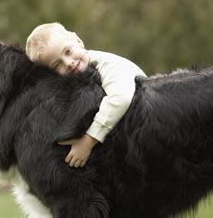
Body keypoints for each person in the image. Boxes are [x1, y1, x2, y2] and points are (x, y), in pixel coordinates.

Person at [25, 22, 146, 168]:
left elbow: (121, 99)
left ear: (78, 41)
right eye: (57, 65)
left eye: (68, 51)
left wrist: (88, 141)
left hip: (146, 122)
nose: (68, 62)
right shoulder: (78, 81)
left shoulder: (107, 65)